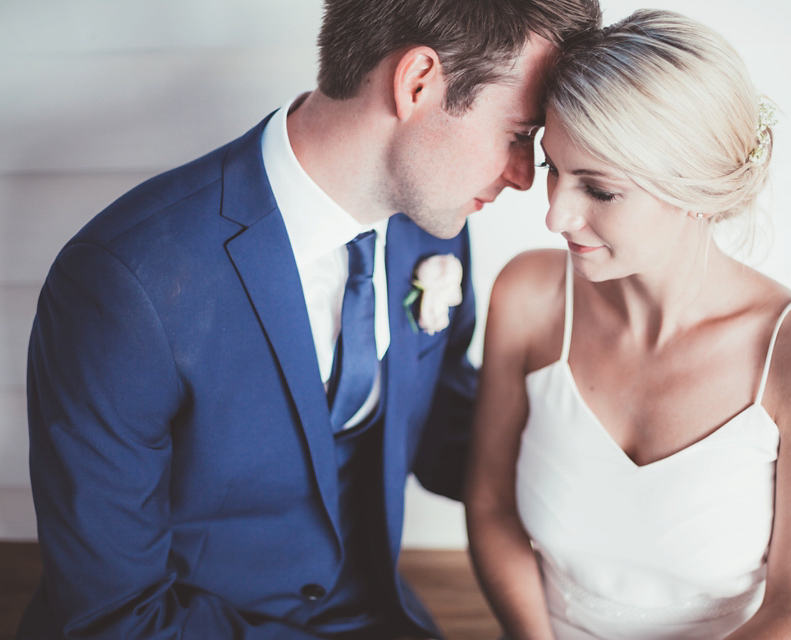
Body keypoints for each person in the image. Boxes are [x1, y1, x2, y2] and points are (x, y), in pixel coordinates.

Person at [17, 1, 601, 638]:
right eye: (519, 134)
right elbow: (116, 619)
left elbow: (441, 433)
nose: (522, 177)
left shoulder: (433, 231)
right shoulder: (124, 284)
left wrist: (624, 448)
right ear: (417, 83)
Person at [465, 9, 791, 640]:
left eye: (599, 190)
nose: (555, 216)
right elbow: (489, 505)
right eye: (553, 171)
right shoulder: (528, 297)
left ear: (694, 190)